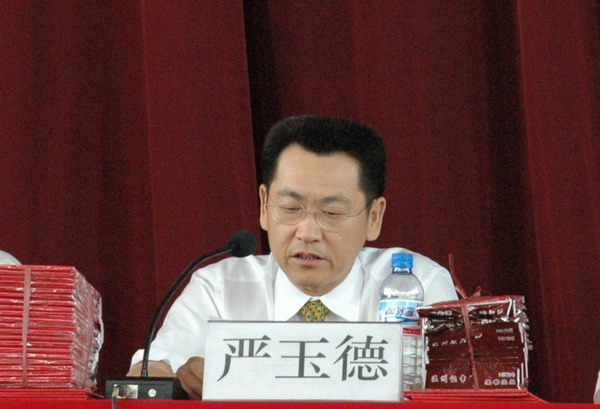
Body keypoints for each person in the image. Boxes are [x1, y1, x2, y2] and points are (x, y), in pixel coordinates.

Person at [127, 115, 458, 399]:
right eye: (290, 208)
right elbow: (145, 379)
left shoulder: (417, 287)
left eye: (331, 212)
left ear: (374, 217)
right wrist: (176, 380)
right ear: (264, 206)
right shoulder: (219, 288)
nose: (308, 232)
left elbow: (458, 390)